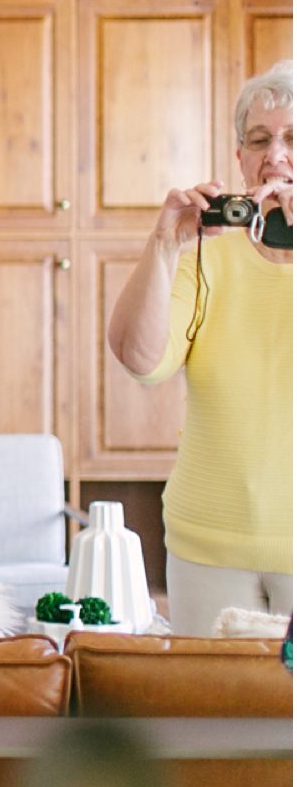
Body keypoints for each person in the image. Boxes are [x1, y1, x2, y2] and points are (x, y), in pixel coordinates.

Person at [106, 60, 292, 635]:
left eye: (293, 139)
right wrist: (164, 246)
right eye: (260, 140)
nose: (277, 156)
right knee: (212, 720)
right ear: (239, 157)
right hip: (206, 543)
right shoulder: (208, 255)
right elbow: (139, 358)